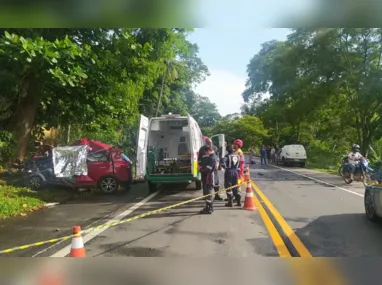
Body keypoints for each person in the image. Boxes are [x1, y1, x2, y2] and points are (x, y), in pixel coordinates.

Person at [199, 146, 217, 214]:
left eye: (206, 152)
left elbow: (208, 169)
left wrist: (201, 170)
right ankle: (210, 207)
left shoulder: (212, 158)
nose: (206, 154)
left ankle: (208, 208)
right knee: (208, 192)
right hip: (209, 176)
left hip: (209, 177)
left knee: (208, 192)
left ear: (209, 150)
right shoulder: (213, 156)